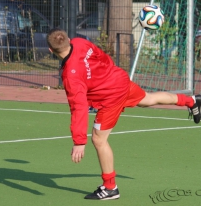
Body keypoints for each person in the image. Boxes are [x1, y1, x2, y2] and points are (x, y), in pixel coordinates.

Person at [46, 28, 201, 201]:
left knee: (98, 139)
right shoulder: (80, 43)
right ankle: (191, 101)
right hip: (118, 78)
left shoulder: (70, 76)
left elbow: (79, 107)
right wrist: (107, 73)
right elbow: (102, 57)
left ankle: (110, 187)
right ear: (68, 38)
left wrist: (79, 141)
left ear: (50, 50)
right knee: (148, 99)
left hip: (111, 96)